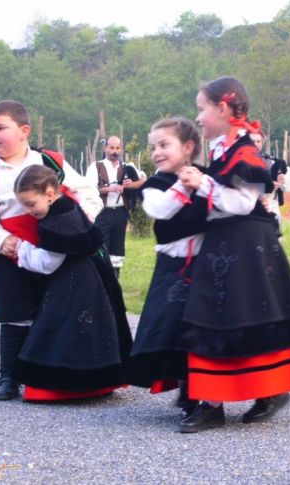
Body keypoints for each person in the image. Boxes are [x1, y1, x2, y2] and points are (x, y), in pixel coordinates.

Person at [177, 76, 290, 433]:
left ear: (222, 109)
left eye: (202, 109)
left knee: (241, 316)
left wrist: (203, 183)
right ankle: (213, 400)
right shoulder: (223, 148)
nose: (199, 118)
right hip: (226, 243)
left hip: (244, 244)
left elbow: (242, 202)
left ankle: (263, 392)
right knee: (217, 315)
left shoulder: (245, 153)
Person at [0, 99, 103, 401]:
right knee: (15, 314)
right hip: (12, 255)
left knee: (55, 311)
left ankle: (49, 372)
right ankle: (9, 376)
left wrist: (77, 226)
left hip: (56, 250)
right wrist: (3, 242)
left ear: (24, 130)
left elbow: (85, 192)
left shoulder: (51, 161)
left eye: (1, 128)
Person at [12, 165, 133, 401]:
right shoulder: (65, 205)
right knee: (91, 327)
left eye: (30, 204)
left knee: (68, 326)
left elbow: (48, 263)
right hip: (91, 274)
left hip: (79, 280)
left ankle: (64, 386)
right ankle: (97, 382)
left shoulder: (58, 219)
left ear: (49, 193)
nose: (28, 211)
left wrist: (22, 250)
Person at [128, 117, 208, 418]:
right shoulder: (155, 184)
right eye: (153, 147)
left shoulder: (206, 178)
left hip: (206, 266)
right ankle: (187, 388)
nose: (156, 152)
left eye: (164, 145)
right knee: (171, 330)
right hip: (171, 269)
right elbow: (159, 209)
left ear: (187, 147)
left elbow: (224, 207)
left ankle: (203, 391)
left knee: (201, 331)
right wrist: (184, 186)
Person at [86, 136, 147, 277]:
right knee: (101, 245)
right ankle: (100, 279)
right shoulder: (96, 166)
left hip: (120, 212)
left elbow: (143, 180)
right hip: (102, 212)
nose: (115, 151)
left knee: (117, 247)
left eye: (117, 148)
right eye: (112, 148)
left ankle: (115, 279)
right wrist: (110, 188)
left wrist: (131, 185)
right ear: (105, 148)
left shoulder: (127, 167)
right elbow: (89, 189)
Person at [249, 130, 290, 236]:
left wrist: (283, 180)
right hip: (249, 210)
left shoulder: (271, 162)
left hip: (271, 207)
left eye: (258, 141)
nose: (256, 144)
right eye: (253, 141)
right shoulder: (240, 162)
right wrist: (267, 186)